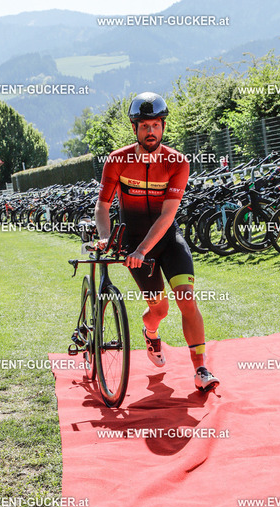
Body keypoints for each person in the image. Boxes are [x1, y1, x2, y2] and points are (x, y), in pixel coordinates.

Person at [94, 92, 219, 392]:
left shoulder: (177, 162)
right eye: (144, 126)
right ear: (134, 128)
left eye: (155, 125)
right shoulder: (118, 160)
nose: (150, 131)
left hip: (167, 239)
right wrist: (105, 237)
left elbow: (167, 215)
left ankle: (200, 369)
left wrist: (142, 250)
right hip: (133, 242)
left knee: (186, 299)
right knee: (160, 310)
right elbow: (102, 206)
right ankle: (150, 332)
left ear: (163, 126)